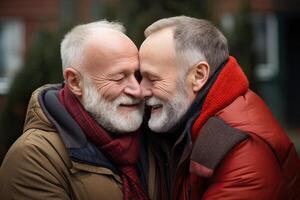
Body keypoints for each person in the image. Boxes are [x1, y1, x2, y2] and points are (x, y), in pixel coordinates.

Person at [139, 16, 300, 199]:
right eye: (140, 77)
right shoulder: (187, 122)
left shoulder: (244, 151)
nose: (141, 90)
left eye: (152, 79)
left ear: (199, 75)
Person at [0, 20, 150, 200]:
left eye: (138, 75)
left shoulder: (154, 136)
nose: (137, 90)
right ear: (74, 82)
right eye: (119, 78)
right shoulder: (33, 157)